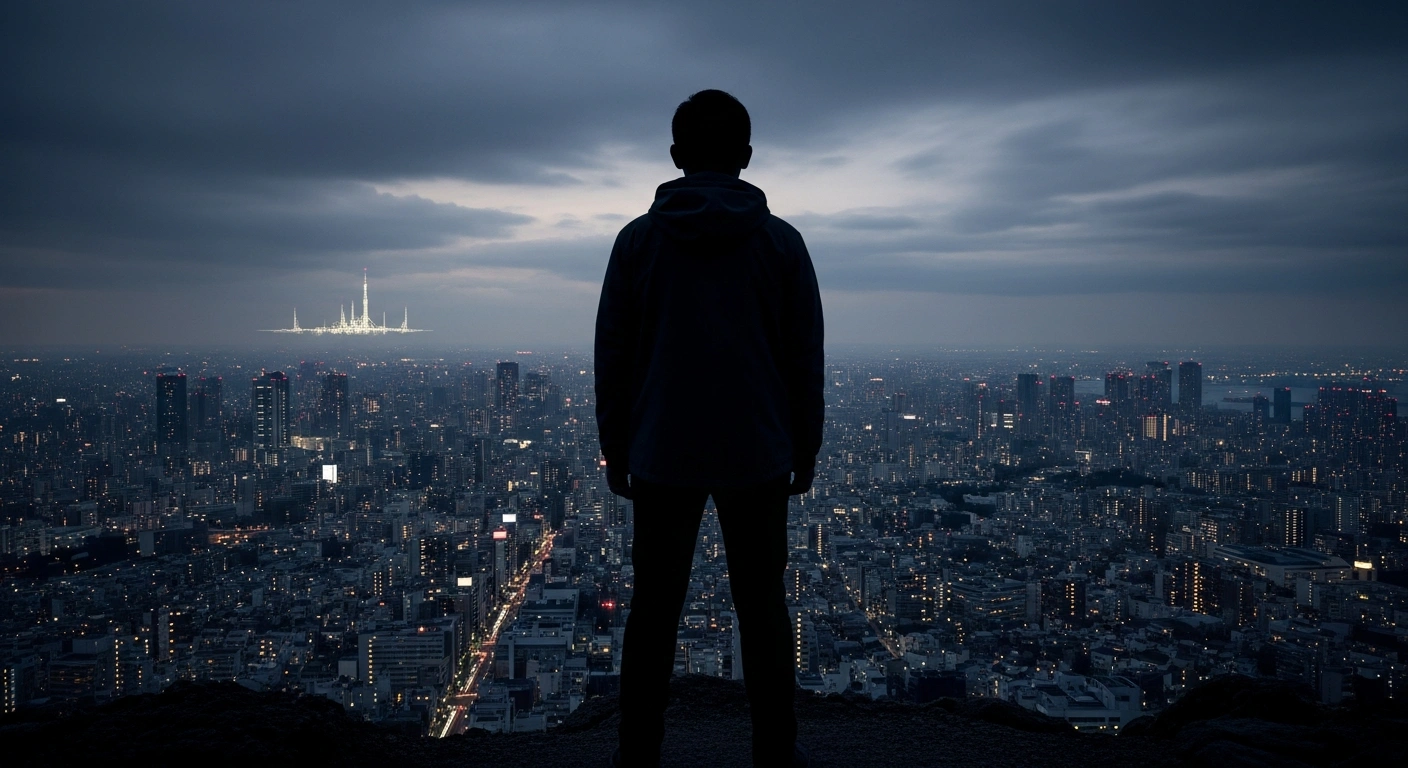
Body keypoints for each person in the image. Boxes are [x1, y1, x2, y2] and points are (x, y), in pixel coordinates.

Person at [595, 89, 824, 768]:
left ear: (674, 156)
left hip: (662, 450)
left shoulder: (638, 242)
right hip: (757, 452)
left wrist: (617, 448)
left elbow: (614, 357)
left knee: (654, 611)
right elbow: (802, 359)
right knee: (763, 609)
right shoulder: (782, 245)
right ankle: (775, 754)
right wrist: (802, 449)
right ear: (747, 158)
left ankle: (638, 753)